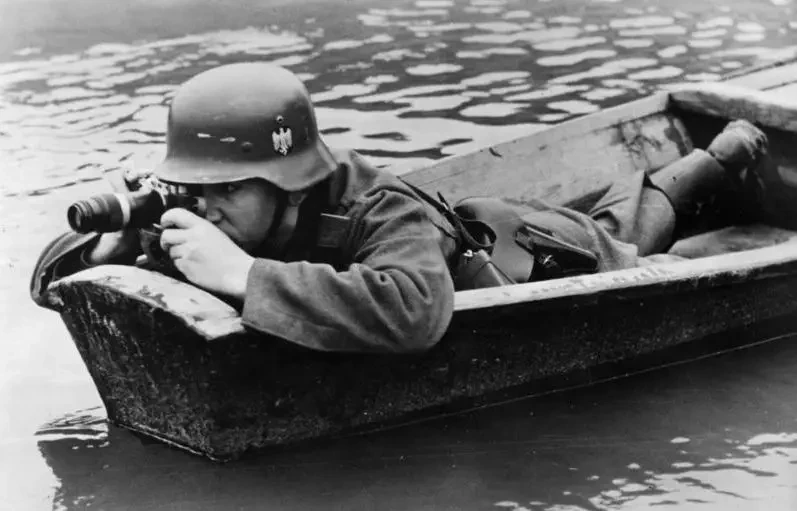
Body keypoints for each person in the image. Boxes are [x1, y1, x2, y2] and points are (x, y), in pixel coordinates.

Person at [29, 62, 768, 354]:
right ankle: (712, 163)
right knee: (622, 220)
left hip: (536, 253)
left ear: (290, 184)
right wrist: (107, 250)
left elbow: (416, 313)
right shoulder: (211, 209)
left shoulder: (379, 209)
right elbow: (45, 288)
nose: (209, 207)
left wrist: (242, 275)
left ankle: (721, 157)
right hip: (480, 223)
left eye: (229, 189)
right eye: (199, 188)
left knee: (634, 243)